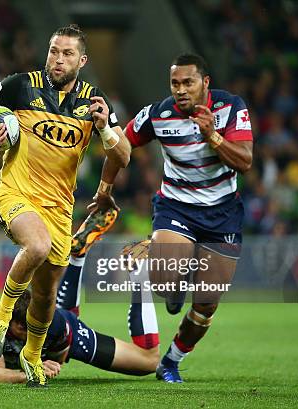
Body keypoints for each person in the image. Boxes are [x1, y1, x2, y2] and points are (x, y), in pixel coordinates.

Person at [0, 24, 131, 387]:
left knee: (47, 294)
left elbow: (124, 155)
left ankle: (33, 354)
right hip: (15, 192)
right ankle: (2, 318)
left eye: (67, 53)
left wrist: (103, 129)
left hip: (59, 208)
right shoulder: (19, 85)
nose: (58, 59)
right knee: (35, 245)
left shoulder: (94, 102)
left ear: (81, 61)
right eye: (54, 50)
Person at [91, 53, 253, 383]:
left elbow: (245, 161)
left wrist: (212, 135)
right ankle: (171, 276)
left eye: (188, 83)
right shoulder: (158, 113)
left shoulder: (230, 108)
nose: (180, 90)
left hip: (223, 214)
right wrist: (105, 188)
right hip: (177, 207)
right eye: (175, 83)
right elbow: (119, 144)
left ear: (205, 83)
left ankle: (171, 360)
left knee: (206, 305)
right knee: (166, 285)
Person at [0, 210, 159, 383]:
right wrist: (29, 372)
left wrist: (41, 363)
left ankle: (140, 277)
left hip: (68, 333)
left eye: (32, 327)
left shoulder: (52, 324)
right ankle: (77, 256)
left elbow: (59, 359)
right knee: (63, 310)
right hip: (53, 325)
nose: (30, 333)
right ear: (11, 323)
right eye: (24, 328)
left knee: (149, 361)